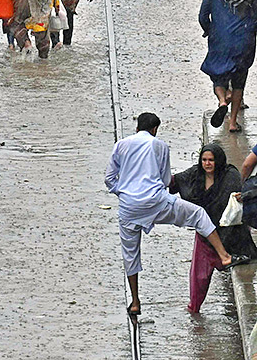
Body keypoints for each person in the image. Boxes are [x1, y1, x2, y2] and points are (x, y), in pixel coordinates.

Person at [105, 112, 248, 316]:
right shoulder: (160, 146)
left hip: (129, 207)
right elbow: (164, 181)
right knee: (198, 215)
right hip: (156, 202)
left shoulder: (121, 145)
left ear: (137, 128)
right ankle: (224, 256)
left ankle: (135, 301)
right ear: (154, 130)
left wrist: (125, 192)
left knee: (130, 253)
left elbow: (110, 179)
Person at [169, 143, 257, 314]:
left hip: (229, 234)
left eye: (211, 160)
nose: (207, 164)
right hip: (206, 234)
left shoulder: (230, 176)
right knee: (199, 277)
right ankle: (194, 310)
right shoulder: (195, 174)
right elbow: (174, 182)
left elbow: (232, 204)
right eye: (204, 160)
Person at [202, 0, 257, 131]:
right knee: (240, 79)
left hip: (220, 38)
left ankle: (221, 101)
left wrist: (209, 31)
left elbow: (202, 16)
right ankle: (233, 122)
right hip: (245, 37)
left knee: (218, 76)